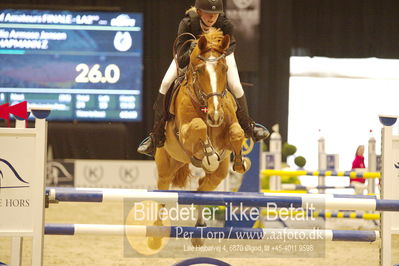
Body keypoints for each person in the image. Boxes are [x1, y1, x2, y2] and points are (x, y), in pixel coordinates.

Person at [137, 0, 270, 157]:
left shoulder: (225, 24)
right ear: (199, 12)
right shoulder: (187, 23)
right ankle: (156, 135)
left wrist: (216, 55)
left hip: (218, 57)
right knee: (166, 83)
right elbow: (181, 56)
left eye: (215, 14)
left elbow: (230, 46)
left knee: (235, 85)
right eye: (208, 13)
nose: (212, 17)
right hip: (189, 57)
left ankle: (249, 127)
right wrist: (194, 50)